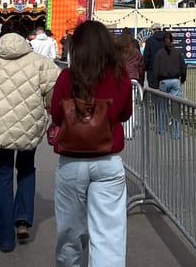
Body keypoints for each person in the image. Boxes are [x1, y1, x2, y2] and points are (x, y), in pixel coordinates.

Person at [0, 18, 60, 253]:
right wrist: (49, 110)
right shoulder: (40, 62)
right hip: (29, 122)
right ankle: (22, 220)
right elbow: (53, 89)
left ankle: (5, 239)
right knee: (27, 169)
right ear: (25, 36)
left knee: (2, 173)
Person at [51, 20, 132, 267]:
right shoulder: (120, 77)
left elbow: (56, 114)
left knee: (70, 232)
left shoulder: (67, 77)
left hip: (72, 162)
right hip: (107, 161)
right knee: (108, 235)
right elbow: (125, 113)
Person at [153, 31, 186, 139]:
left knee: (163, 107)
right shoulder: (178, 53)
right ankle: (176, 133)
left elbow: (155, 70)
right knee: (175, 108)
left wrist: (155, 84)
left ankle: (162, 129)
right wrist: (183, 79)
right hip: (175, 81)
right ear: (172, 40)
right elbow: (183, 67)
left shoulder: (159, 54)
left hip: (163, 81)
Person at [143, 23, 165, 88]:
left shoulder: (149, 41)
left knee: (154, 92)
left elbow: (146, 57)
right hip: (165, 70)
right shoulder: (166, 40)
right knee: (164, 93)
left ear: (152, 31)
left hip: (152, 71)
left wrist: (146, 68)